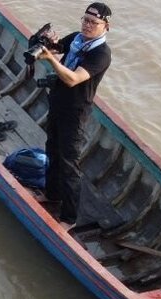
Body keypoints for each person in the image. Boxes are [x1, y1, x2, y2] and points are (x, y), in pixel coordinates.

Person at [36, 4, 113, 226]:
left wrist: (50, 59)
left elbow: (73, 79)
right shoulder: (76, 39)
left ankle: (69, 218)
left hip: (75, 112)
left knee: (69, 164)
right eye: (85, 20)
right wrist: (47, 41)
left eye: (93, 22)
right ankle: (51, 195)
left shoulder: (101, 54)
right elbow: (58, 47)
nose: (87, 25)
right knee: (52, 148)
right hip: (58, 102)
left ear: (106, 26)